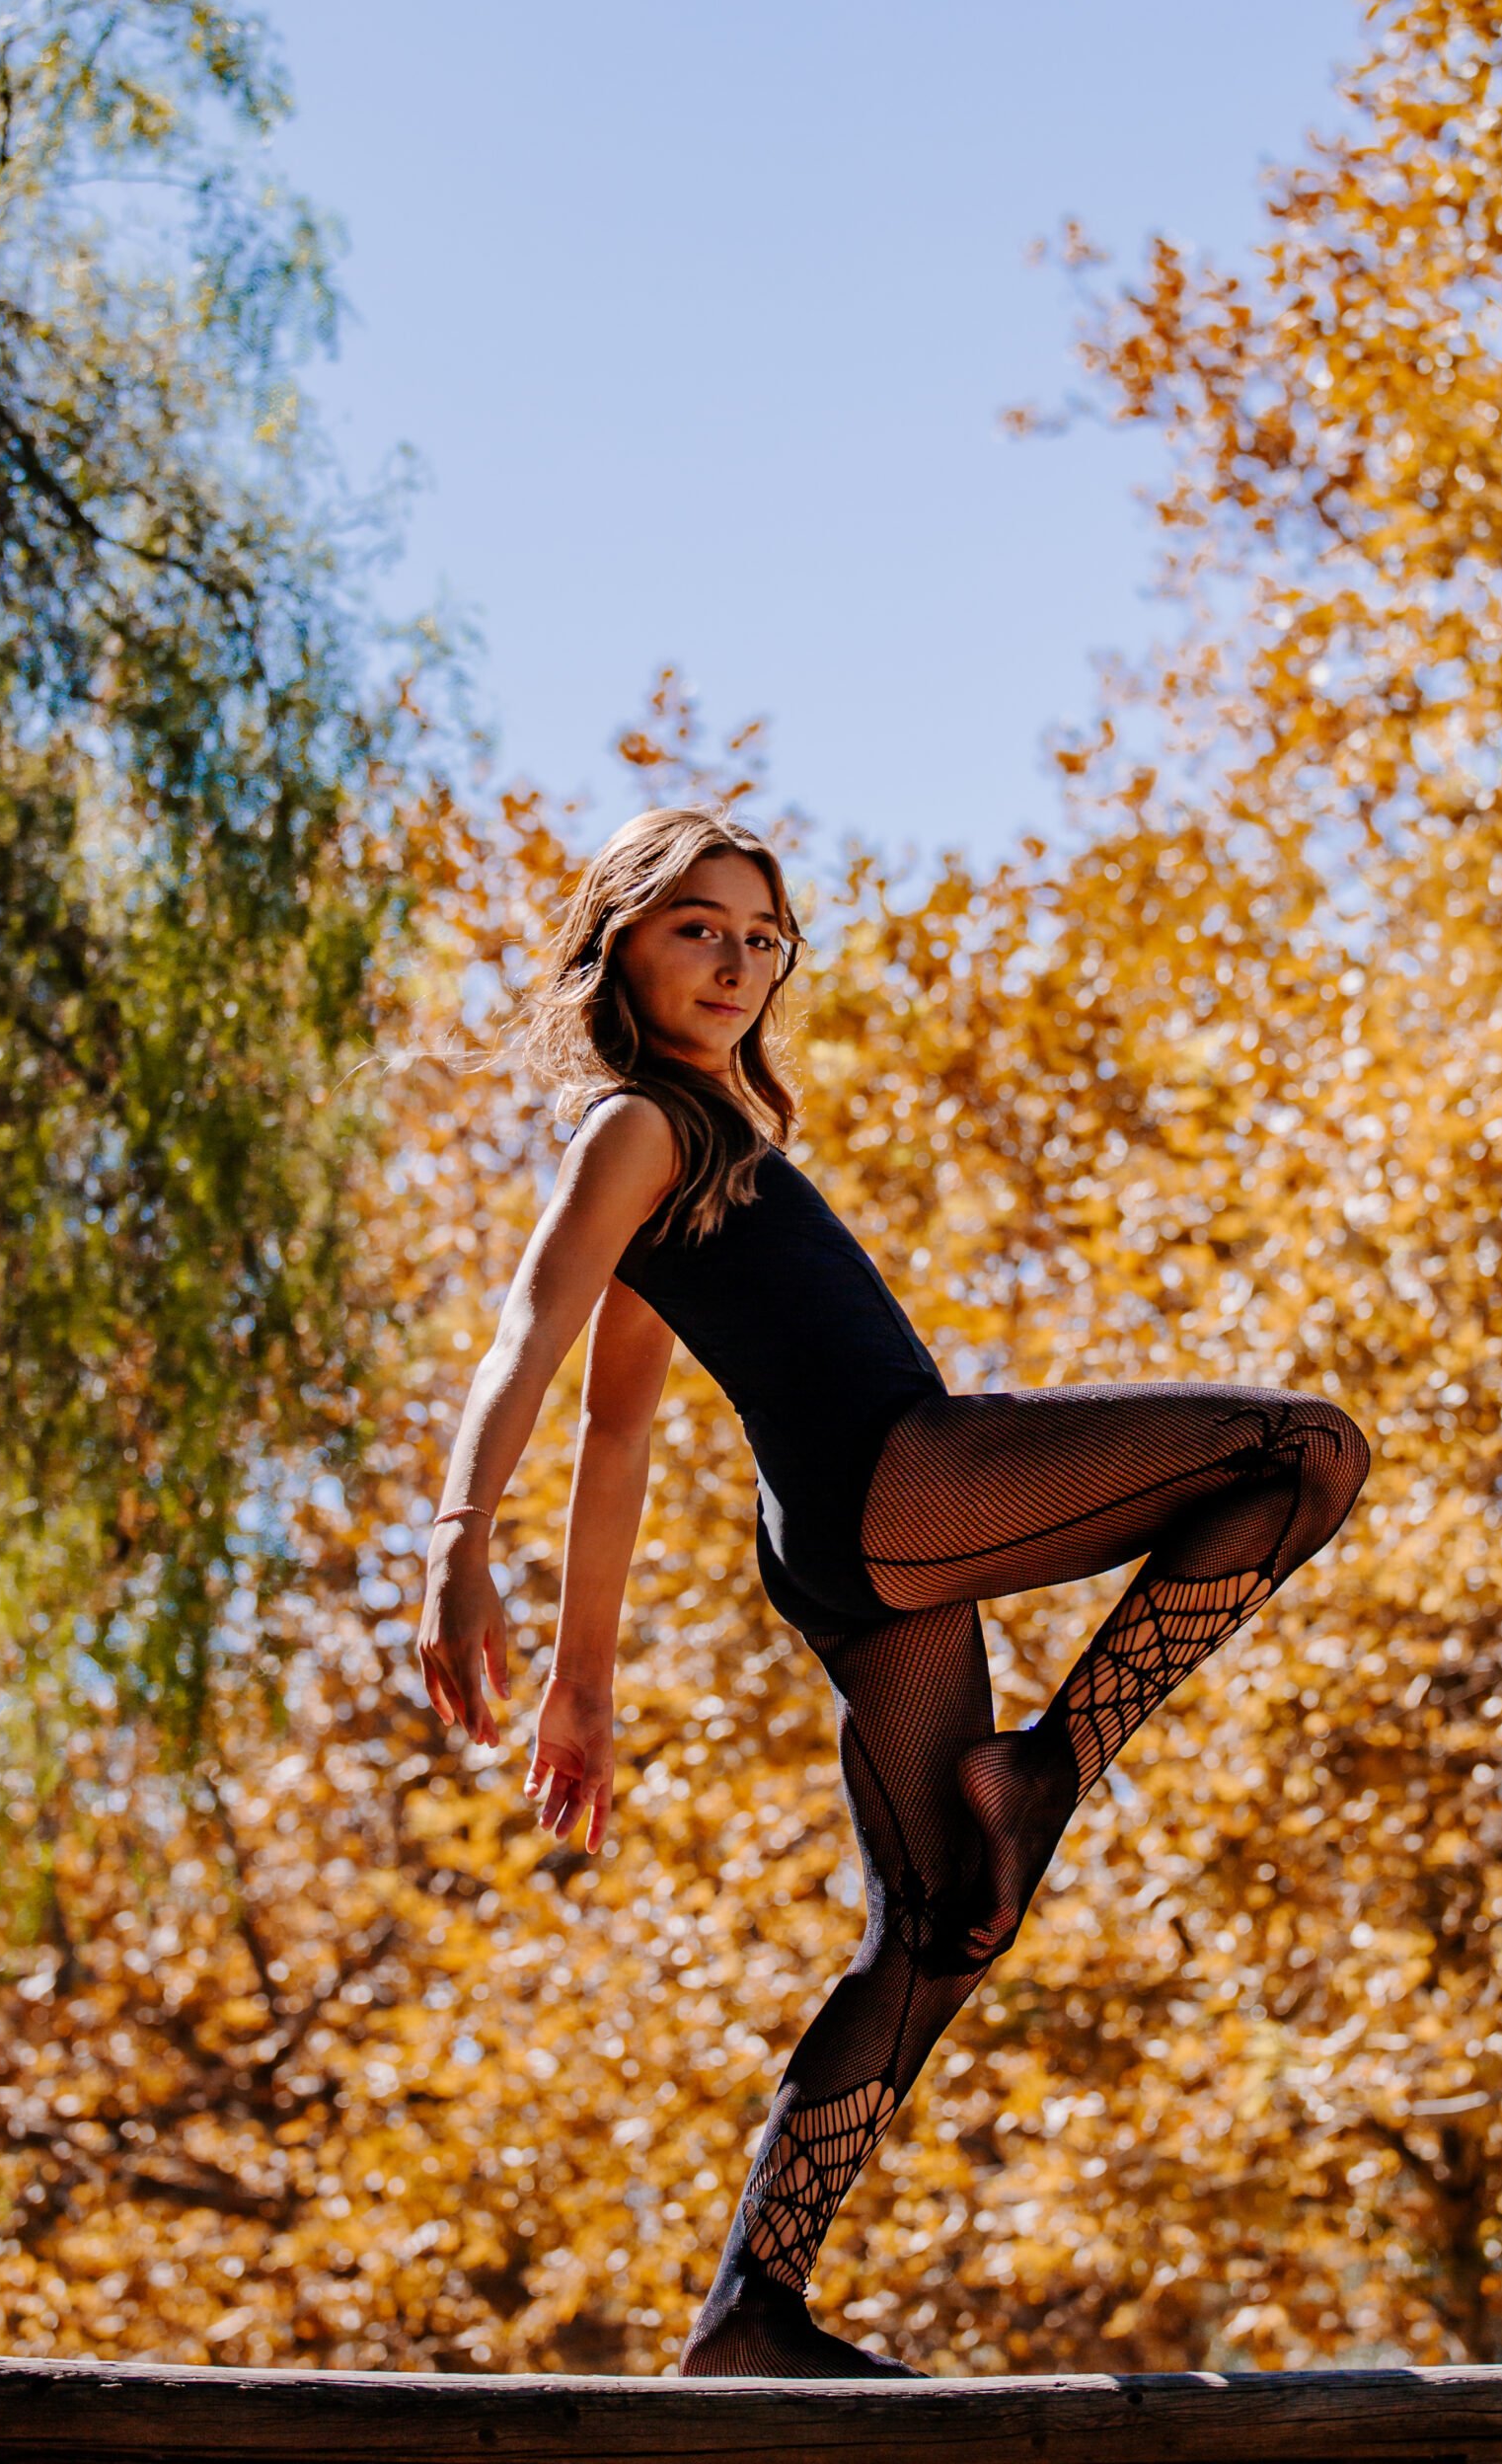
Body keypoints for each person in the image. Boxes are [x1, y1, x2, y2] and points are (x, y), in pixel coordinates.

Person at [417, 807, 1370, 2379]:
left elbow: (624, 1419)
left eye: (760, 935)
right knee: (1306, 1450)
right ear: (616, 947)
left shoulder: (713, 1146)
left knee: (937, 1929)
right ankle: (1047, 1769)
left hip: (853, 1553)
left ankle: (750, 2313)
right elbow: (534, 1336)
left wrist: (585, 1683)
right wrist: (458, 1535)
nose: (736, 961)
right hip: (901, 1480)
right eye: (695, 928)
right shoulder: (634, 1126)